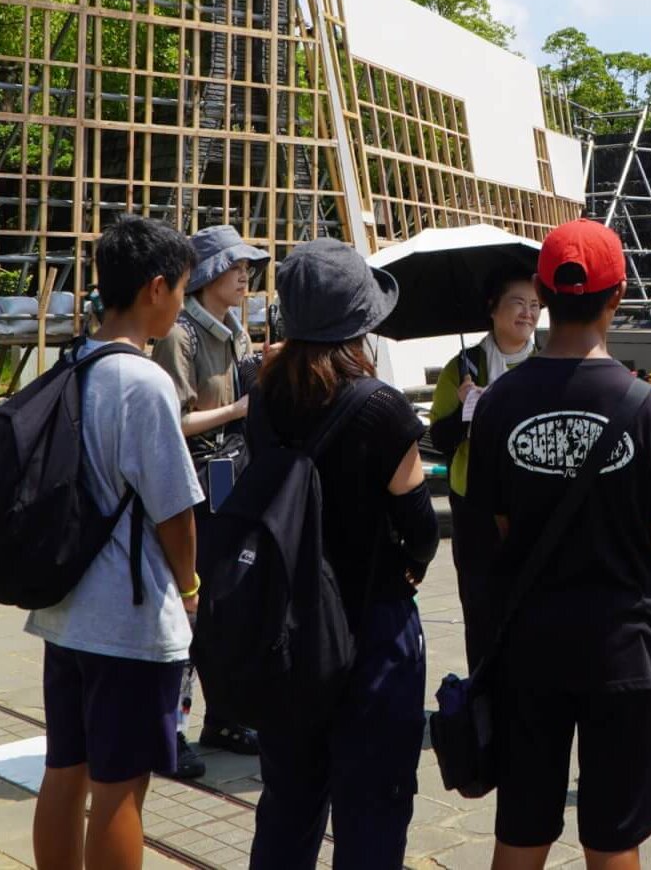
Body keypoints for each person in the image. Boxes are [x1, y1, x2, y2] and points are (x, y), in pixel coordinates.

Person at [468, 219, 651, 870]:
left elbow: (500, 526)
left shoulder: (500, 404)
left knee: (521, 828)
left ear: (542, 293)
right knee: (611, 836)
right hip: (623, 647)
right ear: (617, 297)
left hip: (528, 645)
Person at [243, 237, 437, 869]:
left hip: (288, 626)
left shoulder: (267, 397)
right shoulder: (379, 406)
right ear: (361, 325)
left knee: (289, 804)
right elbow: (421, 528)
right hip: (370, 631)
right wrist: (408, 568)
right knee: (373, 812)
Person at [28, 216, 205, 870]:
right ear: (156, 288)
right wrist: (189, 587)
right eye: (182, 289)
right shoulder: (144, 381)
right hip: (128, 621)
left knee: (64, 771)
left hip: (65, 609)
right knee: (121, 788)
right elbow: (175, 512)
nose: (182, 303)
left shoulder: (73, 359)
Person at [149, 224, 268, 775]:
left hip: (233, 482)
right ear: (206, 275)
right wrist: (236, 412)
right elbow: (173, 419)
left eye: (247, 264)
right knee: (191, 607)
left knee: (228, 605)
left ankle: (224, 714)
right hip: (195, 484)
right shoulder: (182, 335)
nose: (245, 273)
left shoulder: (236, 328)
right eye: (235, 265)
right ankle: (170, 729)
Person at [424, 265, 541, 669]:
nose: (528, 313)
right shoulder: (464, 366)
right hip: (474, 503)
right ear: (492, 308)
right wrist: (466, 410)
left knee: (531, 604)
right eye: (517, 303)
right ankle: (483, 694)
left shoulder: (547, 363)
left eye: (535, 305)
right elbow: (438, 441)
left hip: (531, 501)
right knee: (480, 604)